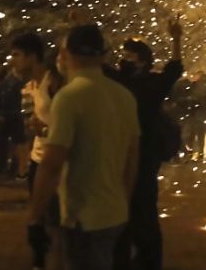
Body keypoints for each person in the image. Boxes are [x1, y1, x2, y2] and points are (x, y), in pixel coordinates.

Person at [27, 25, 140, 270]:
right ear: (103, 55)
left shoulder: (69, 98)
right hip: (115, 213)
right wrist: (122, 200)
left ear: (65, 54)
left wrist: (34, 218)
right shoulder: (124, 96)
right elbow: (132, 157)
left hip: (83, 217)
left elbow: (52, 164)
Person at [114, 16, 184, 270]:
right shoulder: (122, 81)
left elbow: (174, 69)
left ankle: (147, 259)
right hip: (123, 152)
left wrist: (176, 39)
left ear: (141, 59)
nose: (123, 59)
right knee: (125, 209)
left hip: (145, 154)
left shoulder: (151, 83)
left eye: (128, 55)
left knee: (143, 209)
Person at [10, 33, 64, 270]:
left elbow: (70, 122)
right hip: (37, 159)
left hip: (57, 161)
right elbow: (32, 124)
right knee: (37, 218)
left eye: (17, 55)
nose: (12, 61)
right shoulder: (27, 87)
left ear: (33, 56)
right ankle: (40, 261)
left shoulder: (54, 82)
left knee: (55, 220)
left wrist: (46, 128)